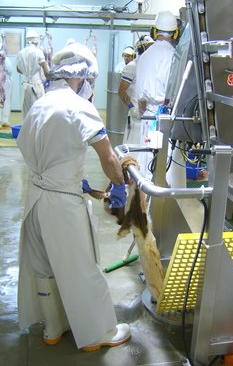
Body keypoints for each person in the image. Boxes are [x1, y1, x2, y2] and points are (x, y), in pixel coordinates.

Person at [16, 42, 131, 351]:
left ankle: (52, 328)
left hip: (35, 198)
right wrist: (119, 185)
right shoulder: (80, 107)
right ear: (80, 76)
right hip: (62, 204)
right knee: (83, 268)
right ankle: (98, 334)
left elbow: (29, 146)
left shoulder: (40, 103)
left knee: (43, 266)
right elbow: (109, 160)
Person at [135, 10, 178, 178]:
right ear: (175, 33)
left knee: (146, 166)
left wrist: (144, 114)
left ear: (154, 31)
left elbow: (140, 98)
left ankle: (145, 202)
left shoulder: (145, 56)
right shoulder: (173, 57)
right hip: (165, 119)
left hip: (147, 117)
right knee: (163, 169)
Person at [118, 35, 154, 144]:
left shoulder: (152, 65)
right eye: (149, 47)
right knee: (134, 145)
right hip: (136, 114)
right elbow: (121, 91)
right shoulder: (132, 67)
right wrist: (132, 108)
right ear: (142, 48)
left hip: (150, 114)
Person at [16, 29, 50, 117]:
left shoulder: (20, 53)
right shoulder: (39, 52)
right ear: (36, 41)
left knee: (26, 114)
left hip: (25, 86)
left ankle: (26, 130)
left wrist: (27, 71)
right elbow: (46, 72)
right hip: (36, 85)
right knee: (38, 112)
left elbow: (18, 70)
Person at [0, 44, 13, 127]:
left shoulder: (6, 60)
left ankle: (4, 120)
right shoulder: (6, 60)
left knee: (5, 101)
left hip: (5, 81)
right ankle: (4, 120)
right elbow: (10, 70)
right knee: (6, 100)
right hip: (5, 81)